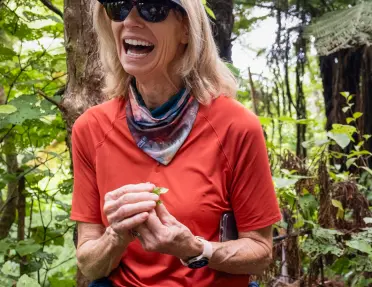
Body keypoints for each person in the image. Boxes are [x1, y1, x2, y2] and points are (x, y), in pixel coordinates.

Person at [70, 0, 282, 286]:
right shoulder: (91, 128)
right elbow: (89, 264)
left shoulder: (235, 126)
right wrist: (116, 236)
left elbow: (260, 251)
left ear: (186, 29)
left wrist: (195, 249)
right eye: (118, 6)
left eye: (151, 8)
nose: (131, 20)